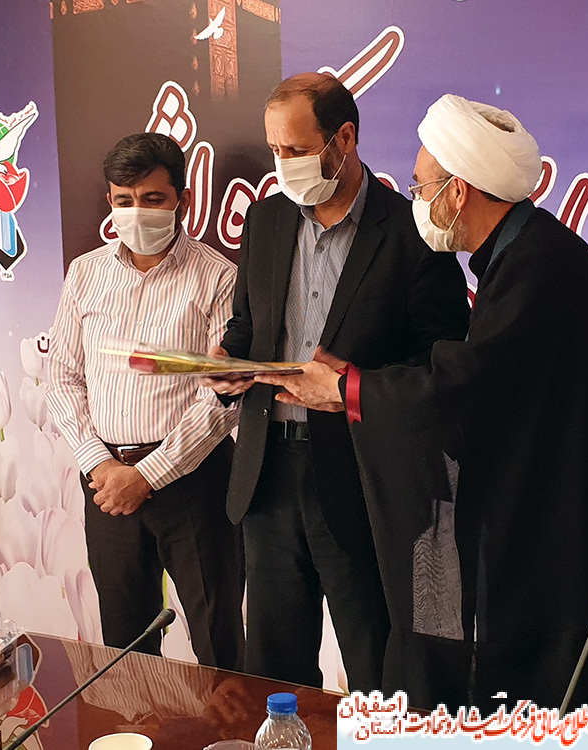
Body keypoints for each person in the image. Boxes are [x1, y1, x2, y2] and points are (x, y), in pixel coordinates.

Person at [257, 94, 588, 710]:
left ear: (458, 192)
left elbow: (469, 389)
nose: (417, 202)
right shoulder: (523, 254)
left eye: (422, 187)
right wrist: (358, 382)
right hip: (572, 520)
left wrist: (347, 390)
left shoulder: (541, 265)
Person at [204, 73, 471, 691]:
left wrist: (352, 386)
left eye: (297, 150)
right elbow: (249, 324)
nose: (282, 165)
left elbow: (442, 364)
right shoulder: (267, 220)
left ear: (344, 139)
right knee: (274, 674)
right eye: (275, 150)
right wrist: (226, 362)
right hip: (267, 477)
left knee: (376, 667)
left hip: (362, 479)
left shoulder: (413, 231)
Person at [46, 133, 244, 670]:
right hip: (106, 483)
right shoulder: (85, 273)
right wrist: (102, 466)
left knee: (219, 641)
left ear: (182, 200)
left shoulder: (219, 276)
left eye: (152, 199)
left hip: (194, 482)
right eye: (123, 200)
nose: (136, 212)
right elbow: (61, 377)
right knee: (125, 647)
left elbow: (222, 396)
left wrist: (148, 475)